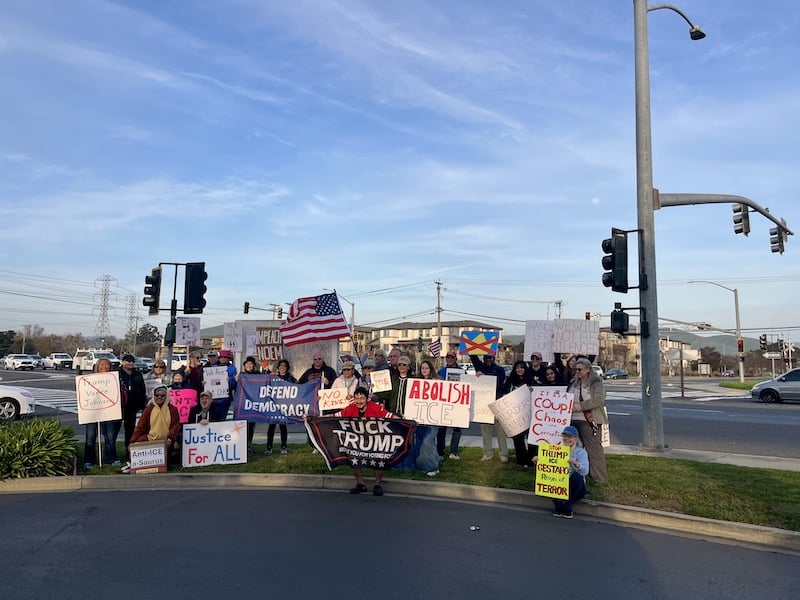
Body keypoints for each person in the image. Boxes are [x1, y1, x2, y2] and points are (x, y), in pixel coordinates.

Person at [333, 386, 397, 496]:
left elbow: (390, 416)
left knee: (382, 456)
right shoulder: (351, 408)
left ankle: (378, 485)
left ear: (367, 399)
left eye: (362, 398)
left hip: (375, 439)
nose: (359, 401)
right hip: (358, 440)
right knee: (352, 455)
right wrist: (313, 418)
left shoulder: (376, 408)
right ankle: (360, 484)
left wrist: (407, 421)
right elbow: (334, 416)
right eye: (357, 398)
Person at [533, 425, 589, 519]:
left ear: (576, 439)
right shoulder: (556, 450)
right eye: (565, 436)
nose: (567, 439)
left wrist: (576, 464)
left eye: (570, 436)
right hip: (560, 485)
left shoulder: (581, 452)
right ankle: (558, 506)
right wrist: (539, 461)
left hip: (576, 489)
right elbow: (548, 467)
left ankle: (568, 507)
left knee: (576, 476)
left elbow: (585, 471)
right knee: (548, 475)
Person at [568, 357, 609, 484]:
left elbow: (598, 400)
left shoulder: (596, 383)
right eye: (576, 370)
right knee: (574, 449)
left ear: (588, 369)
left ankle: (599, 478)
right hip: (573, 420)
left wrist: (580, 407)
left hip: (590, 421)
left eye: (580, 369)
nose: (577, 372)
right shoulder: (573, 383)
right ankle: (577, 475)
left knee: (594, 450)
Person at [470, 353, 508, 462]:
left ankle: (503, 454)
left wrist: (484, 376)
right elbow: (473, 356)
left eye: (490, 357)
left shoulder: (500, 370)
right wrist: (470, 342)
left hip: (497, 402)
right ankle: (487, 453)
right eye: (486, 358)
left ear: (494, 358)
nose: (488, 360)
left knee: (500, 430)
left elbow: (499, 382)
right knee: (485, 430)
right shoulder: (480, 367)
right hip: (483, 404)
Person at [83, 358, 120, 468]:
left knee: (110, 436)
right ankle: (89, 460)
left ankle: (111, 458)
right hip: (92, 412)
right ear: (97, 367)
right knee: (90, 436)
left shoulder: (114, 379)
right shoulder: (89, 379)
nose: (104, 367)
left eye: (107, 365)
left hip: (109, 411)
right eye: (102, 365)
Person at [129, 385, 181, 462]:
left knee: (166, 460)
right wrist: (132, 442)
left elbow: (175, 426)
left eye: (162, 395)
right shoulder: (149, 409)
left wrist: (170, 439)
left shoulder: (173, 409)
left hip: (166, 441)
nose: (159, 397)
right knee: (138, 443)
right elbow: (140, 427)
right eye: (157, 395)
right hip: (151, 438)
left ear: (166, 396)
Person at [503, 360, 534, 467]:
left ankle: (531, 460)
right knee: (518, 439)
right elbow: (504, 394)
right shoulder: (510, 381)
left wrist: (532, 391)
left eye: (522, 367)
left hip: (529, 415)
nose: (519, 370)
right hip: (515, 415)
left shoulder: (530, 380)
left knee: (531, 438)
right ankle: (521, 460)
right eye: (517, 368)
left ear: (525, 369)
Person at [415, 360, 443, 476]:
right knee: (421, 442)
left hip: (433, 418)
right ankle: (423, 466)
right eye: (422, 368)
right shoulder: (417, 383)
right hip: (420, 418)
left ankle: (433, 467)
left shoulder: (438, 382)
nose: (424, 370)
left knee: (428, 442)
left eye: (426, 368)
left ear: (431, 369)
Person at [118, 353, 147, 458]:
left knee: (130, 429)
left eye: (132, 361)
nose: (130, 363)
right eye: (127, 361)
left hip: (133, 406)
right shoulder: (117, 373)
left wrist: (143, 404)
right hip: (119, 405)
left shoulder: (137, 374)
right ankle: (112, 453)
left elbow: (142, 389)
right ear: (122, 362)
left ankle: (128, 450)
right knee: (114, 430)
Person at [436, 351, 463, 460]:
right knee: (441, 430)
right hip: (444, 403)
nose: (450, 359)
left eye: (452, 357)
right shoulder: (441, 371)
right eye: (448, 357)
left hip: (457, 404)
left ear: (456, 358)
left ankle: (454, 452)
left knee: (457, 429)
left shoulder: (462, 372)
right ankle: (440, 452)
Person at [267, 358, 295, 454]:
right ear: (278, 368)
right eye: (280, 366)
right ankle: (269, 447)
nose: (282, 367)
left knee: (283, 427)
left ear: (287, 368)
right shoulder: (273, 377)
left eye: (284, 366)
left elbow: (296, 389)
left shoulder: (291, 379)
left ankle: (283, 446)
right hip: (273, 406)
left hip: (284, 406)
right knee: (271, 427)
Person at [208, 349, 237, 422]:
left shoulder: (232, 369)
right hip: (213, 399)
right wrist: (206, 383)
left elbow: (234, 385)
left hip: (225, 399)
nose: (223, 359)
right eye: (221, 357)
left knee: (222, 420)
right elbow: (210, 381)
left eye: (225, 357)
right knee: (212, 420)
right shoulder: (213, 368)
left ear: (228, 358)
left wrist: (229, 381)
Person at [240, 356, 261, 453]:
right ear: (244, 365)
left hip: (253, 404)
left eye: (251, 364)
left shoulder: (258, 375)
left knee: (251, 426)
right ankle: (241, 445)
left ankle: (248, 445)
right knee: (242, 426)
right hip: (242, 404)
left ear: (254, 366)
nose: (249, 365)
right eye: (247, 364)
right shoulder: (241, 375)